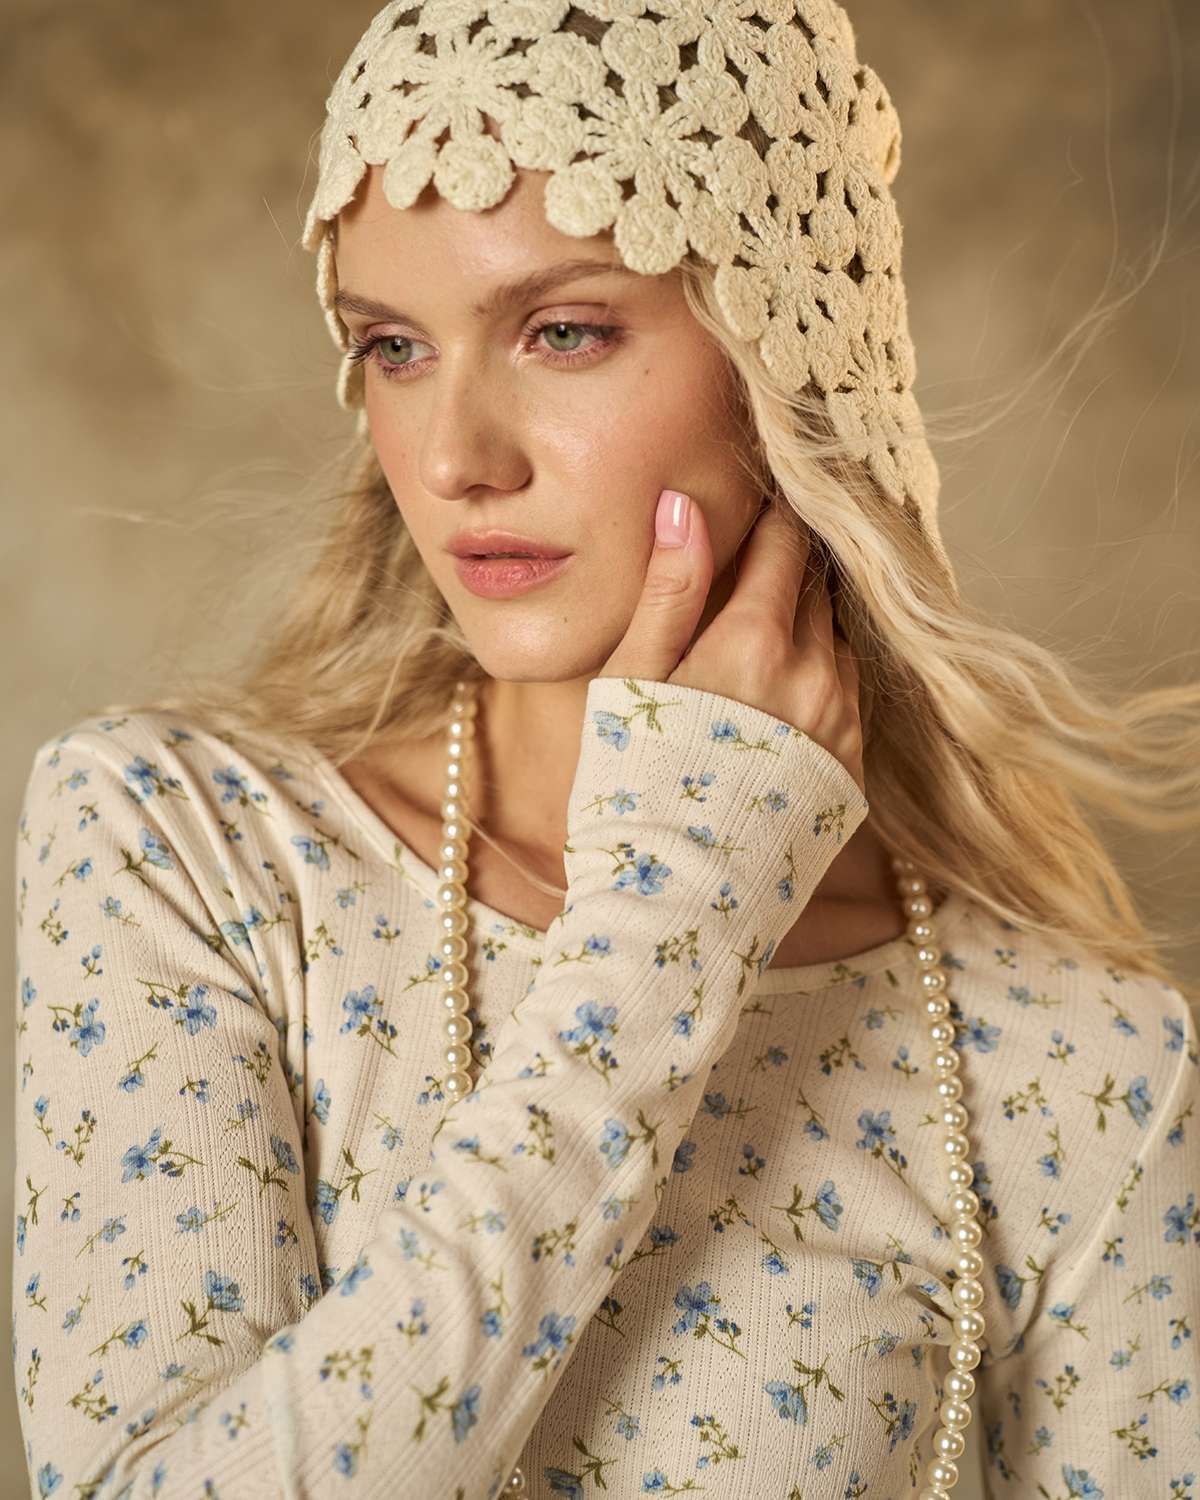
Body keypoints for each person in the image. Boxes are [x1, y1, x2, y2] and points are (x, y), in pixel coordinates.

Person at [13, 4, 1200, 1498]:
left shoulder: (1077, 1063)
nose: (457, 457)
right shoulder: (182, 844)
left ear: (787, 355)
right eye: (393, 347)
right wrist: (672, 911)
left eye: (562, 331)